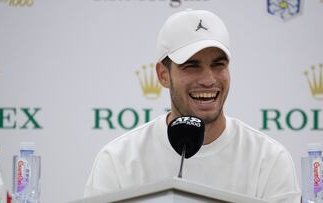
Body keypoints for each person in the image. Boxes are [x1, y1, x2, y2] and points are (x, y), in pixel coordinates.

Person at [84, 9, 301, 202]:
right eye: (191, 66)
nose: (208, 79)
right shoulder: (118, 160)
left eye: (218, 65)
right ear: (163, 75)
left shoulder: (269, 159)